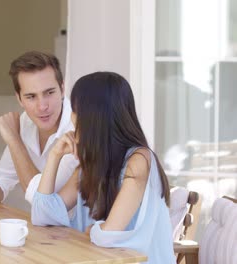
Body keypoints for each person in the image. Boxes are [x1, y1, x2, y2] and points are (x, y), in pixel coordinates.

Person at [31, 72, 175, 263]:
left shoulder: (139, 161)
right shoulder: (91, 163)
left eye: (74, 110)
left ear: (92, 116)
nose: (71, 117)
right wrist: (54, 156)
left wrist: (95, 231)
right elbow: (42, 215)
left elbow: (109, 235)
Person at [0, 51, 78, 211]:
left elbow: (42, 201)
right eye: (31, 97)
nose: (42, 106)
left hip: (78, 232)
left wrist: (13, 139)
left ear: (62, 89)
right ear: (19, 99)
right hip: (45, 230)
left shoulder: (78, 128)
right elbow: (2, 178)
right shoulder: (26, 122)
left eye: (49, 93)